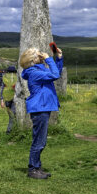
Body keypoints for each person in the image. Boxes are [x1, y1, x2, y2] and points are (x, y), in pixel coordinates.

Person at [20, 46, 63, 179]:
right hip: (40, 108)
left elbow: (56, 73)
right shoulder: (34, 73)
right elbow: (54, 75)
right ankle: (33, 169)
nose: (41, 55)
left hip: (43, 107)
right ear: (32, 60)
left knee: (40, 140)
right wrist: (49, 59)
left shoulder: (39, 70)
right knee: (39, 141)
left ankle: (37, 167)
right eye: (38, 54)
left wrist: (58, 59)